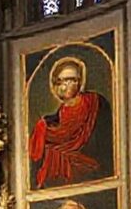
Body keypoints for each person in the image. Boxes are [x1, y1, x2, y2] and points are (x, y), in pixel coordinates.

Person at [28, 57, 112, 188]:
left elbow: (105, 144)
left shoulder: (95, 104)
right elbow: (35, 156)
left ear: (80, 82)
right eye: (61, 81)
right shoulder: (48, 124)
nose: (66, 85)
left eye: (72, 79)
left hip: (92, 172)